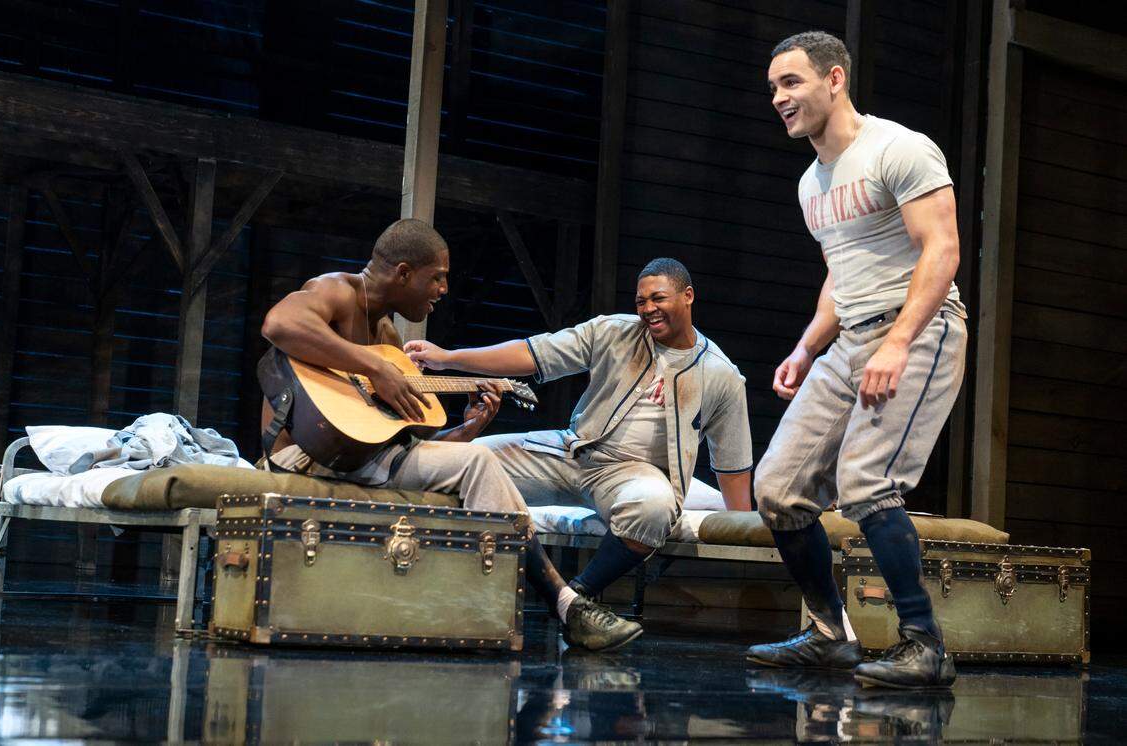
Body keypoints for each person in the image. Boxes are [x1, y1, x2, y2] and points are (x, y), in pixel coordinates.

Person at [259, 218, 642, 651]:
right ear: (404, 273)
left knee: (476, 455)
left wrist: (467, 430)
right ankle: (566, 603)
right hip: (305, 453)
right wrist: (375, 368)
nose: (443, 290)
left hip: (358, 458)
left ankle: (499, 610)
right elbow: (278, 324)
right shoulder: (337, 291)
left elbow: (396, 449)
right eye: (437, 277)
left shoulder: (386, 335)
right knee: (480, 463)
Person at [745, 32, 967, 688]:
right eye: (773, 89)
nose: (780, 99)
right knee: (777, 490)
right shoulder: (811, 184)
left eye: (791, 83)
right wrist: (806, 347)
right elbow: (842, 278)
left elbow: (943, 250)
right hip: (849, 343)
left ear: (834, 79)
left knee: (867, 481)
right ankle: (829, 634)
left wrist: (898, 340)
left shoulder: (898, 149)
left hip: (921, 329)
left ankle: (924, 644)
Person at [405, 258, 754, 600]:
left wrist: (744, 530)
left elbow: (732, 461)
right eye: (641, 301)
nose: (648, 309)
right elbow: (532, 353)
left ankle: (575, 597)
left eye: (658, 298)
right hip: (569, 452)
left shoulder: (720, 375)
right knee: (461, 461)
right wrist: (447, 358)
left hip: (631, 474)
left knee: (655, 508)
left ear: (687, 296)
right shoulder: (614, 331)